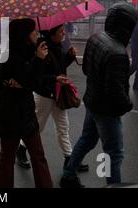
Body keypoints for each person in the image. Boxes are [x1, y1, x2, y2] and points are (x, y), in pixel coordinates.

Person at [60, 3, 138, 188]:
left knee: (87, 139)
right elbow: (115, 93)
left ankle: (68, 174)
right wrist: (127, 105)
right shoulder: (118, 53)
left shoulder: (95, 37)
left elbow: (87, 70)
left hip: (92, 101)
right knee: (114, 153)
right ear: (126, 25)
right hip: (106, 111)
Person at [17, 24, 89, 172]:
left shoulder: (57, 46)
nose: (64, 32)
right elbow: (37, 77)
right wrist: (54, 78)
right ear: (52, 34)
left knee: (63, 127)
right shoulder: (42, 49)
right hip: (44, 95)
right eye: (60, 31)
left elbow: (59, 67)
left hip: (58, 94)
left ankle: (69, 159)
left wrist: (69, 56)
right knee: (37, 126)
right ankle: (21, 149)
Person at [0, 18, 53, 188]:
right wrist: (38, 61)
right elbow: (29, 81)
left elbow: (34, 81)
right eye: (33, 31)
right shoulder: (10, 55)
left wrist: (41, 59)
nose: (37, 33)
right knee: (7, 159)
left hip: (26, 114)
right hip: (10, 115)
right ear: (24, 35)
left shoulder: (30, 51)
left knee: (38, 155)